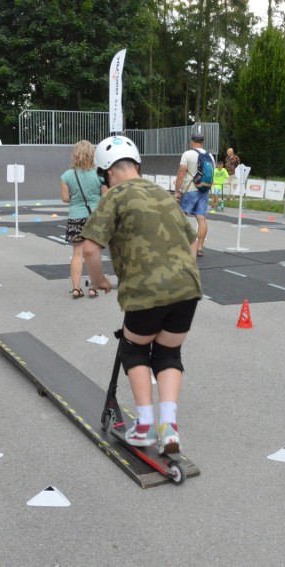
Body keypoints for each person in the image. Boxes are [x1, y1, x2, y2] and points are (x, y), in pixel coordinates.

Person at [82, 135, 202, 455]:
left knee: (134, 347)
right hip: (187, 288)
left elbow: (91, 247)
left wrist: (99, 281)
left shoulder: (115, 196)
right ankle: (170, 428)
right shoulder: (163, 194)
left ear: (106, 173)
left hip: (146, 291)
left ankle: (145, 426)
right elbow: (192, 241)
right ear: (137, 165)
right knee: (167, 354)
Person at [59, 140, 106, 299]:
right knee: (94, 253)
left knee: (77, 254)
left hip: (76, 216)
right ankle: (93, 288)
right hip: (95, 217)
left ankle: (76, 289)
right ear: (92, 154)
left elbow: (65, 198)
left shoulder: (67, 175)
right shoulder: (99, 174)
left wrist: (77, 198)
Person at [174, 132, 215, 257]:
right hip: (204, 189)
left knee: (182, 217)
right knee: (201, 218)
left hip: (189, 189)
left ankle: (182, 245)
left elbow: (181, 173)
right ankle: (200, 247)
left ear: (192, 141)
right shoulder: (210, 156)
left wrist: (177, 191)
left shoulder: (187, 154)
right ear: (202, 142)